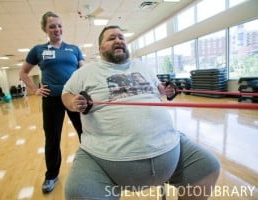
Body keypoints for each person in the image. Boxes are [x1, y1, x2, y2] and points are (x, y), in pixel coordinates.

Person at [62, 26, 220, 200]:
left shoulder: (143, 66)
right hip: (104, 160)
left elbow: (159, 89)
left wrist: (165, 91)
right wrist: (73, 102)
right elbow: (66, 94)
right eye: (111, 38)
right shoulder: (85, 72)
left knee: (208, 167)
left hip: (170, 146)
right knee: (78, 193)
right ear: (100, 48)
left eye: (121, 37)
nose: (118, 40)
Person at [19, 11, 84, 194]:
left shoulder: (74, 49)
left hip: (72, 97)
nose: (57, 29)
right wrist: (34, 89)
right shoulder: (38, 50)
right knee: (52, 138)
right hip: (51, 99)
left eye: (59, 25)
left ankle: (93, 168)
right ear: (45, 29)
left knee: (85, 132)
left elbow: (84, 72)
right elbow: (23, 73)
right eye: (52, 26)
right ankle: (51, 175)